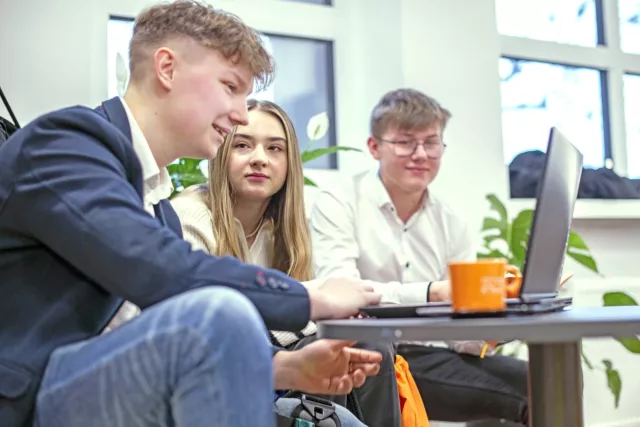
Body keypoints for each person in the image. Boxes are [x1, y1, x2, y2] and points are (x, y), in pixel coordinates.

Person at [0, 2, 382, 427]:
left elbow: (162, 327)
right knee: (218, 314)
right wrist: (309, 298)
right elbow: (154, 270)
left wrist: (289, 368)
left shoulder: (158, 206)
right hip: (28, 399)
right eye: (230, 86)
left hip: (91, 385)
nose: (240, 113)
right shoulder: (65, 143)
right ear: (167, 68)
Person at [171, 98, 400, 427]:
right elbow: (212, 324)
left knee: (367, 342)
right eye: (242, 145)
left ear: (289, 162)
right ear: (220, 154)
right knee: (331, 342)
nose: (259, 159)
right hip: (216, 375)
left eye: (275, 148)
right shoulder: (190, 215)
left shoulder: (286, 229)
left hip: (275, 373)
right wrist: (320, 310)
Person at [310, 88, 529, 425]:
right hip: (365, 354)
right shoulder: (339, 202)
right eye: (405, 142)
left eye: (431, 142)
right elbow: (341, 294)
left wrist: (493, 326)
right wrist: (431, 293)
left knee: (537, 381)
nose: (421, 154)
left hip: (430, 356)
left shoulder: (450, 220)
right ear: (374, 147)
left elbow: (461, 332)